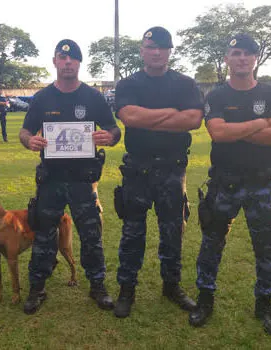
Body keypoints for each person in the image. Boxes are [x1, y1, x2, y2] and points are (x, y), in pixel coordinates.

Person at [189, 34, 271, 336]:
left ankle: (264, 304)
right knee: (211, 244)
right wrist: (259, 124)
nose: (242, 58)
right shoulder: (217, 97)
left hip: (263, 183)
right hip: (225, 183)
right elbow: (217, 133)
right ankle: (205, 299)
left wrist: (236, 130)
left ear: (255, 58)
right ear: (227, 59)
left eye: (247, 53)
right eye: (236, 53)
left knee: (266, 247)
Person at [19, 39, 121, 315]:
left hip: (82, 180)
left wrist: (109, 137)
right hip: (50, 180)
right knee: (43, 235)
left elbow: (114, 129)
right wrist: (30, 141)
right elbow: (24, 131)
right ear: (54, 62)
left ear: (78, 63)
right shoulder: (42, 98)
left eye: (72, 59)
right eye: (62, 58)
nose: (67, 63)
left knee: (91, 235)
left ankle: (97, 286)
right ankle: (37, 288)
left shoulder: (92, 97)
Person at [113, 27, 204, 318]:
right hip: (137, 169)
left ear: (169, 51)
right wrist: (171, 115)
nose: (156, 52)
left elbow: (193, 119)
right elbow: (129, 116)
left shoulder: (185, 84)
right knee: (132, 232)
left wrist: (147, 119)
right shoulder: (128, 84)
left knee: (172, 231)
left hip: (172, 168)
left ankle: (171, 286)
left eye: (162, 48)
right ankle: (127, 289)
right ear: (142, 50)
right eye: (151, 47)